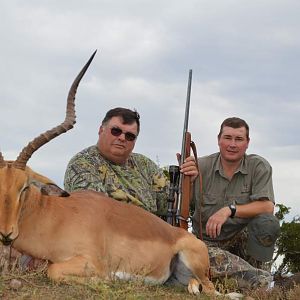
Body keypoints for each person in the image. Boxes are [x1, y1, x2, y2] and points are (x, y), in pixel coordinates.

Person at [64, 107, 198, 217]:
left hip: (152, 237)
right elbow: (95, 213)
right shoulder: (82, 164)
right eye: (116, 131)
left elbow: (171, 205)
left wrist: (188, 184)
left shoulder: (145, 165)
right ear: (101, 130)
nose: (122, 138)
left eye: (129, 136)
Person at [192, 117, 280, 273]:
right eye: (227, 138)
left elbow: (267, 207)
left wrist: (229, 210)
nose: (232, 144)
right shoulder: (200, 166)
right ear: (219, 140)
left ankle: (260, 273)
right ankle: (259, 279)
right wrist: (185, 178)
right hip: (206, 242)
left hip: (241, 239)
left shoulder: (259, 166)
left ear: (247, 143)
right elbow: (179, 207)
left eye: (239, 139)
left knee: (268, 222)